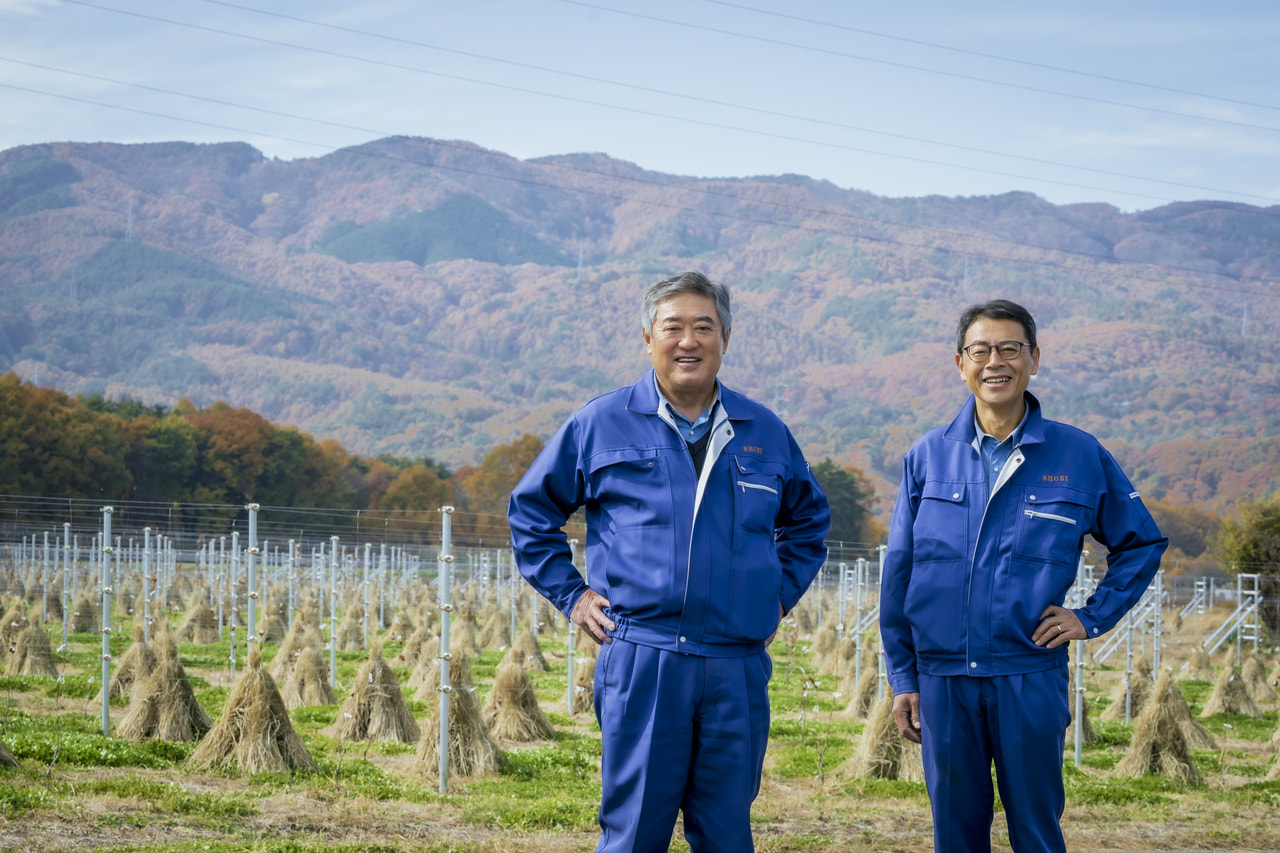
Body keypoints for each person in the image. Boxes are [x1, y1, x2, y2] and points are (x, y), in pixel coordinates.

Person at [508, 270, 830, 853]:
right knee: (634, 832)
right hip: (643, 657)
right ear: (647, 338)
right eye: (673, 327)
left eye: (703, 327)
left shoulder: (765, 431)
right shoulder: (601, 422)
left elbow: (809, 522)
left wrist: (777, 595)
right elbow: (532, 512)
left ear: (725, 338)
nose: (688, 341)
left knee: (728, 832)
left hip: (736, 664)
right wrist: (572, 594)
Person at [879, 299, 1168, 853]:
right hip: (944, 679)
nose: (996, 361)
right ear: (959, 363)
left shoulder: (1077, 453)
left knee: (1036, 830)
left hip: (1027, 673)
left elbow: (1142, 542)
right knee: (954, 835)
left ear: (1034, 359)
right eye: (980, 350)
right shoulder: (928, 457)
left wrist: (1091, 616)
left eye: (1010, 348)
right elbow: (900, 574)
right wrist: (904, 677)